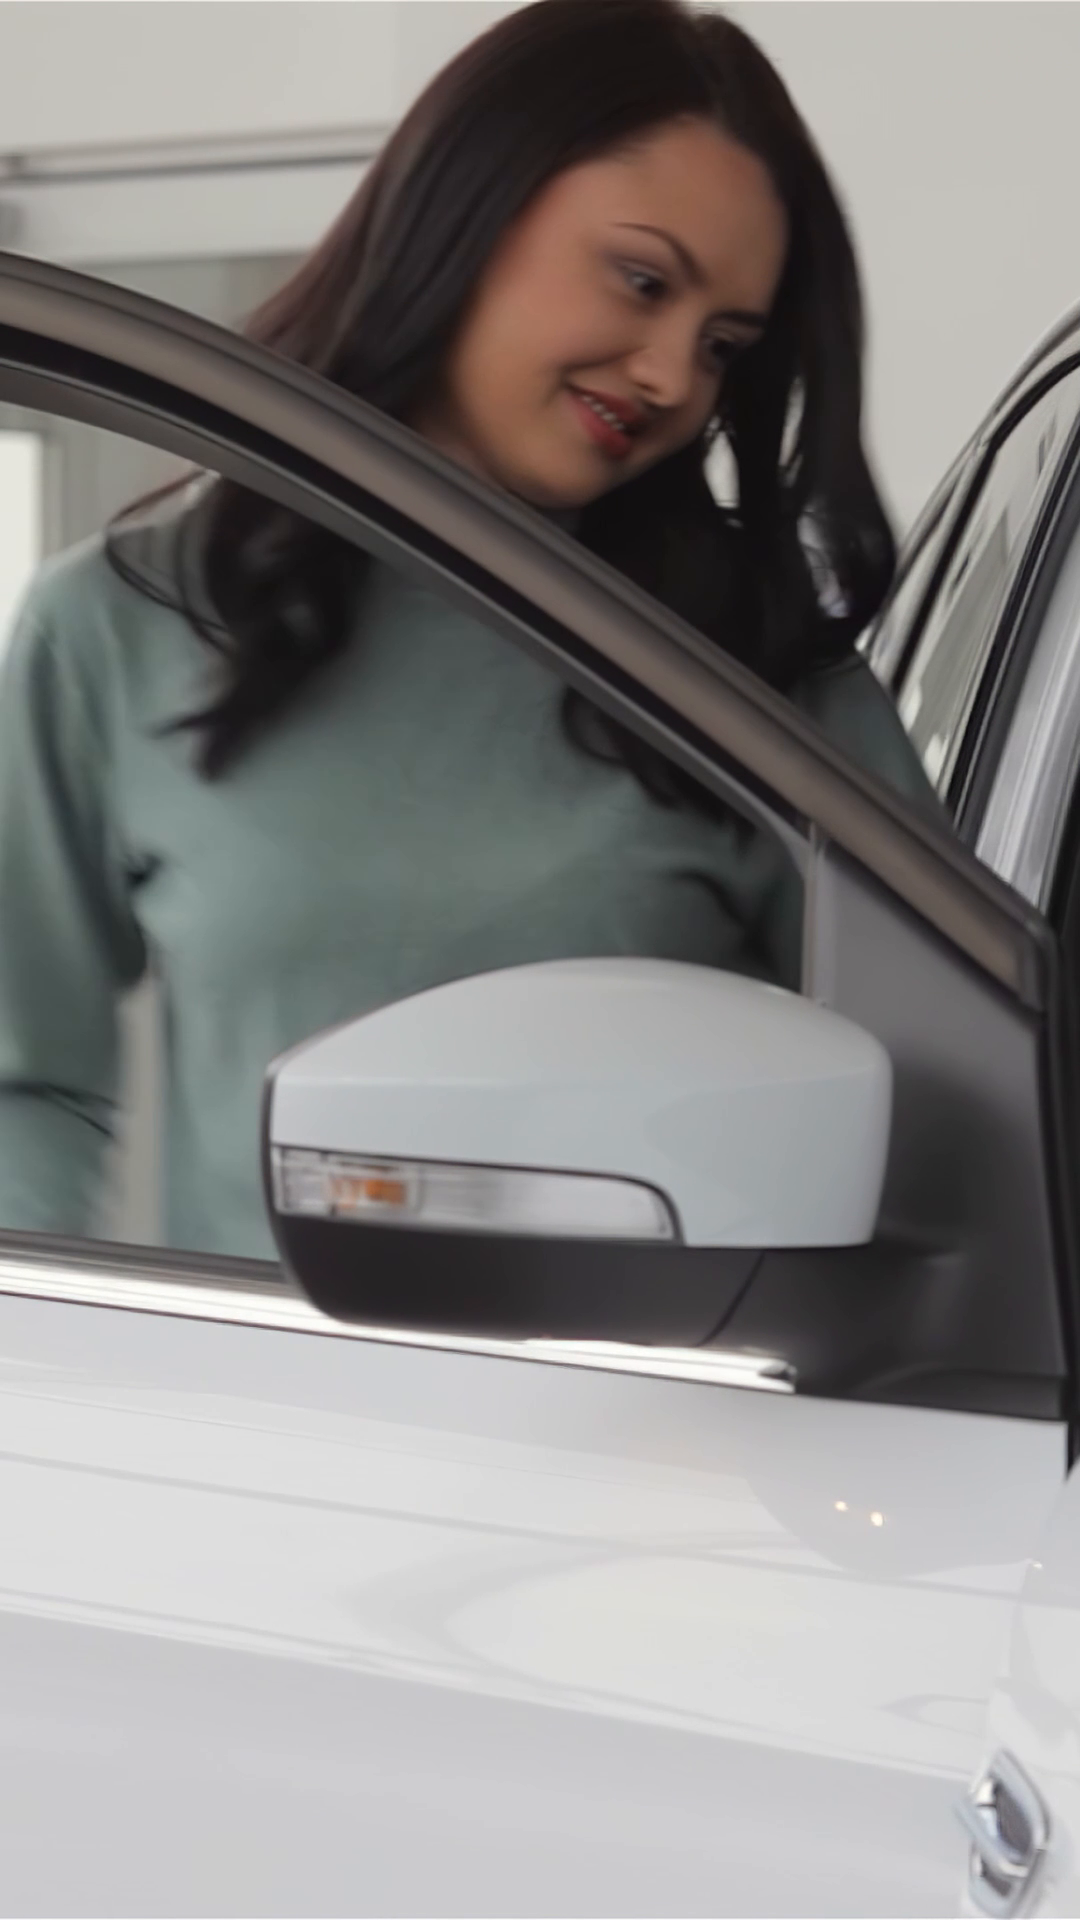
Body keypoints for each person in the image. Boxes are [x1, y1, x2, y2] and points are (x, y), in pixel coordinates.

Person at [0, 0, 939, 1261]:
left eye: (722, 346)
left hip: (671, 1392)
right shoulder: (116, 627)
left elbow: (955, 1120)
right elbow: (22, 1089)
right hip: (254, 1386)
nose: (673, 376)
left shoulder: (755, 673)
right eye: (642, 281)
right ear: (468, 211)